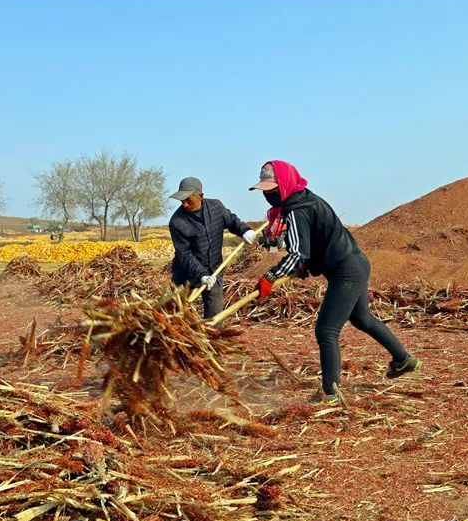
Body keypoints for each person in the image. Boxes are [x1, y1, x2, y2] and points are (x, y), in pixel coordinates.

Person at [249, 160, 422, 405]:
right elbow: (315, 244)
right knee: (362, 319)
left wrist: (271, 276)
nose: (268, 194)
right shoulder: (305, 200)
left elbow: (298, 253)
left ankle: (330, 394)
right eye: (265, 190)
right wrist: (307, 266)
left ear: (285, 184)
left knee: (326, 330)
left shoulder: (297, 210)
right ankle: (404, 360)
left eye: (272, 188)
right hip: (354, 264)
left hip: (346, 271)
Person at [168, 176, 256, 318]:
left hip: (214, 270)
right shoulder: (177, 222)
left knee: (215, 318)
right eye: (181, 200)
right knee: (178, 316)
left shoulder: (216, 207)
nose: (184, 204)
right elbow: (184, 254)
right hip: (186, 274)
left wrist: (244, 230)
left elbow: (231, 220)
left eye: (188, 200)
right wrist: (201, 274)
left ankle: (211, 337)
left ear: (200, 196)